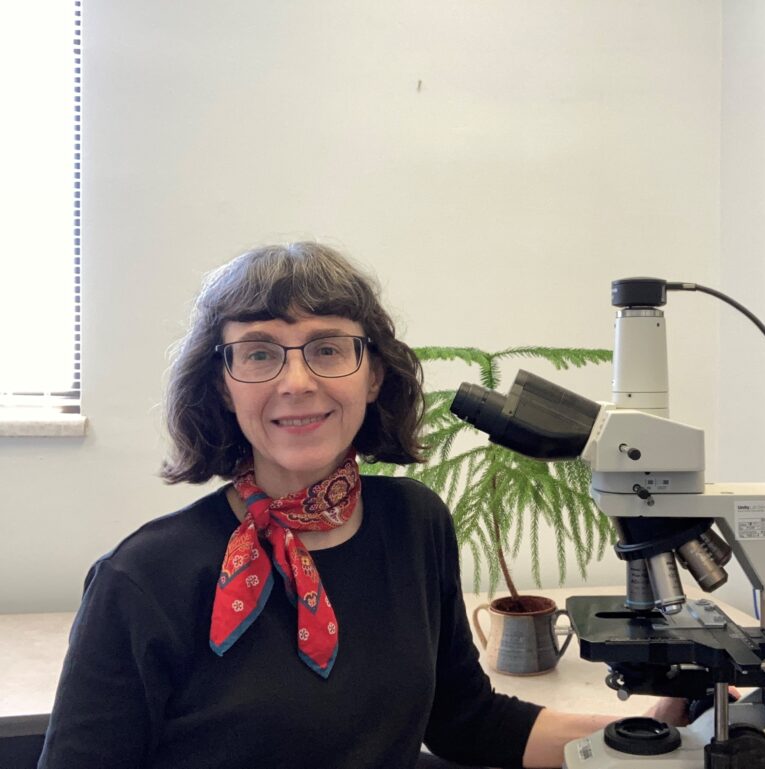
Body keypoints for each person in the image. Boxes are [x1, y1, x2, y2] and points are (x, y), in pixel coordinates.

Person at [38, 242, 680, 769]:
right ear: (221, 385)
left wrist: (649, 735)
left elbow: (468, 722)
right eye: (259, 352)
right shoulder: (144, 576)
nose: (296, 382)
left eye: (327, 348)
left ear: (372, 374)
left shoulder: (415, 524)